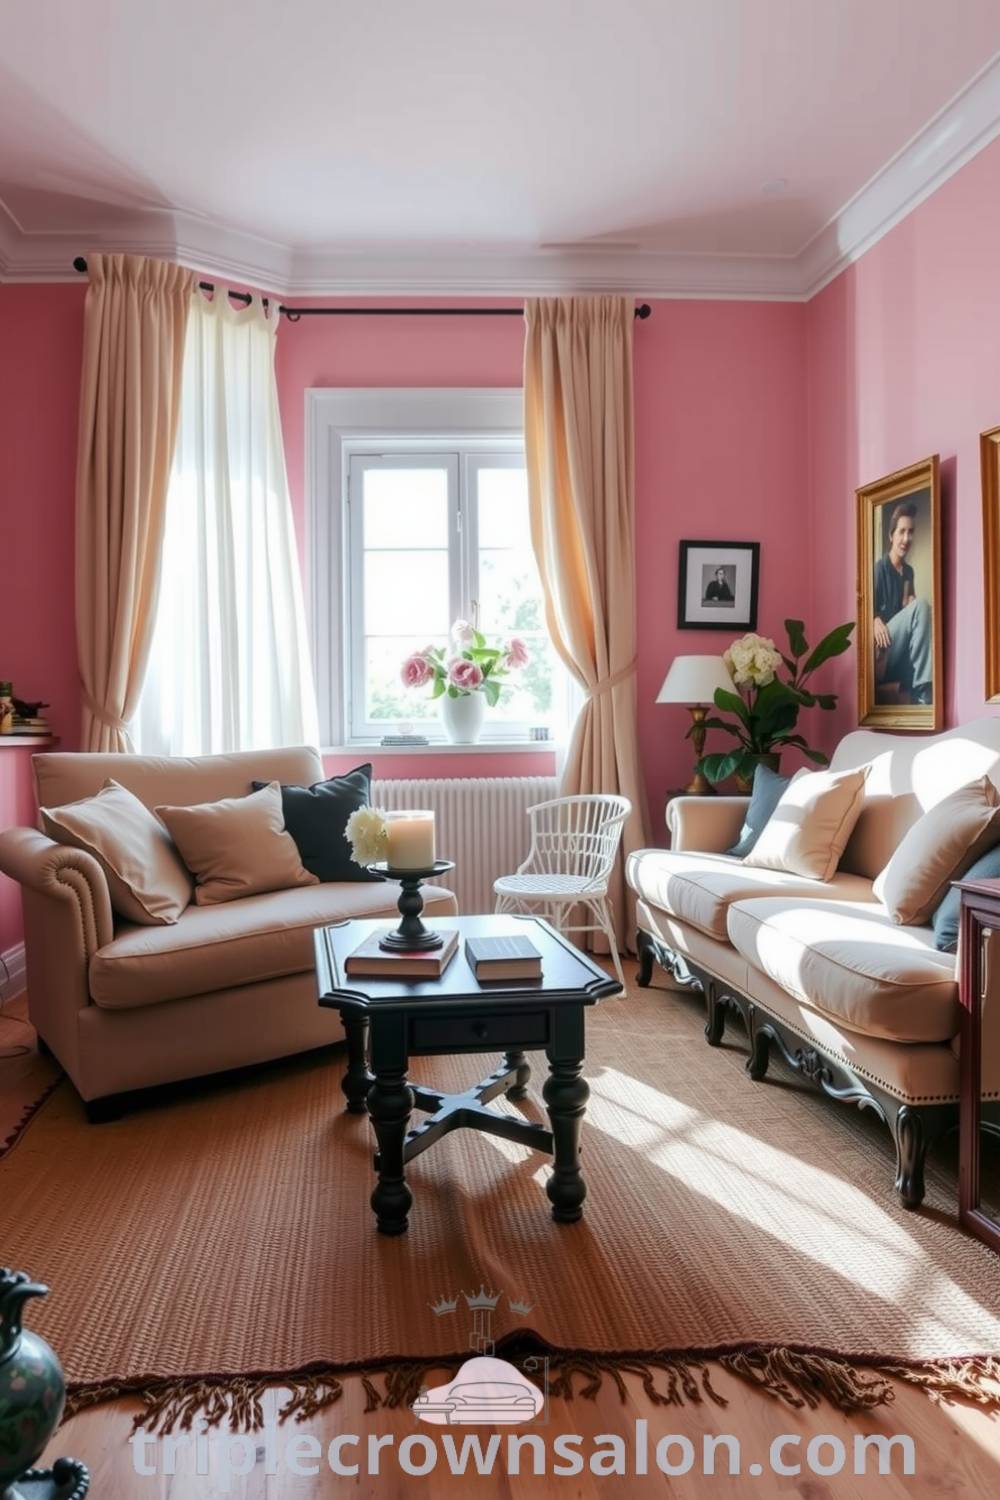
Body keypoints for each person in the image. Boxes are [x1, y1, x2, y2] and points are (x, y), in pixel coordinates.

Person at [873, 501, 933, 705]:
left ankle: (919, 687)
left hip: (899, 644)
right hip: (882, 644)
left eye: (911, 532)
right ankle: (924, 691)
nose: (906, 538)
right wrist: (873, 620)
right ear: (891, 535)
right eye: (902, 532)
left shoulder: (909, 572)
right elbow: (865, 609)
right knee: (923, 605)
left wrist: (910, 606)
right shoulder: (879, 568)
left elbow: (909, 610)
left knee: (924, 609)